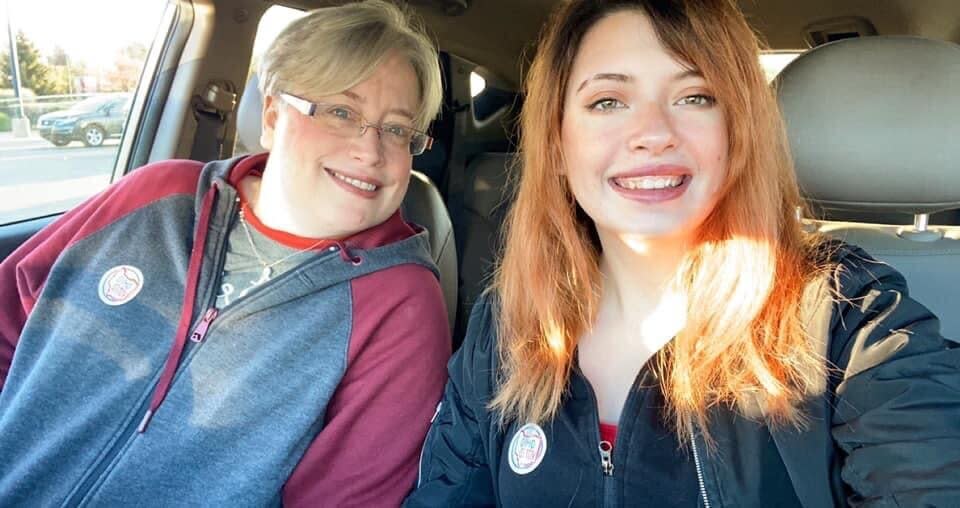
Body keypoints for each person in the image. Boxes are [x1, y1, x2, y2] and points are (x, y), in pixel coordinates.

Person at [405, 0, 960, 506]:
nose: (652, 133)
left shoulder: (849, 320)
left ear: (738, 134)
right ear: (556, 146)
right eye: (607, 101)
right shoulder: (504, 326)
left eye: (695, 96)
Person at [0, 1, 449, 506]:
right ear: (275, 117)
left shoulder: (398, 303)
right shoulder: (156, 195)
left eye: (396, 129)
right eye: (341, 112)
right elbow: (8, 317)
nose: (371, 151)